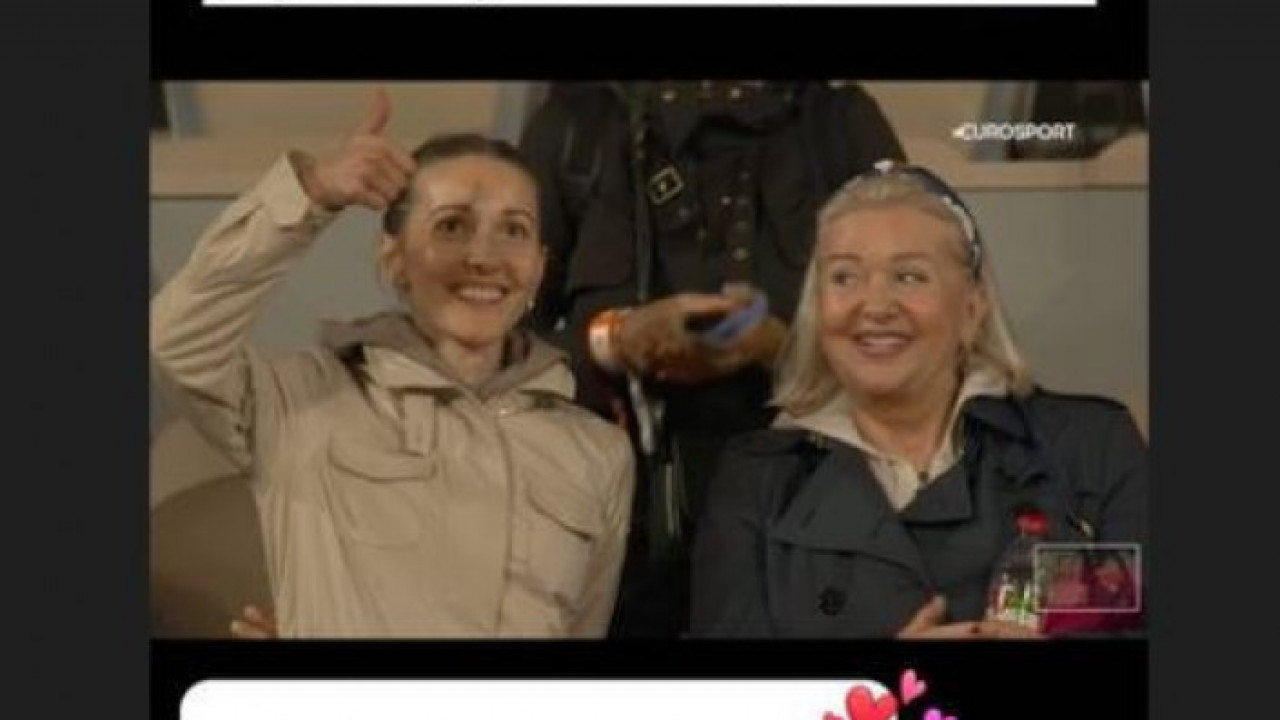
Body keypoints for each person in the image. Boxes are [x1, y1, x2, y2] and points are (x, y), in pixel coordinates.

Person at [150, 90, 634, 638]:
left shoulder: (599, 453)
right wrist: (311, 192)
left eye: (514, 230)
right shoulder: (301, 402)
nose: (484, 257)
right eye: (451, 226)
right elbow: (177, 339)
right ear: (394, 257)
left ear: (540, 268)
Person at [688, 160, 1147, 638]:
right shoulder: (755, 480)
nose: (875, 305)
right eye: (844, 277)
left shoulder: (1094, 447)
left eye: (909, 276)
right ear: (817, 311)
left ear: (972, 309)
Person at [519, 81, 905, 636]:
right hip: (611, 533)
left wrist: (782, 349)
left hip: (816, 526)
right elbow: (502, 349)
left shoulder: (840, 125)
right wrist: (616, 339)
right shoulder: (575, 128)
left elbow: (919, 342)